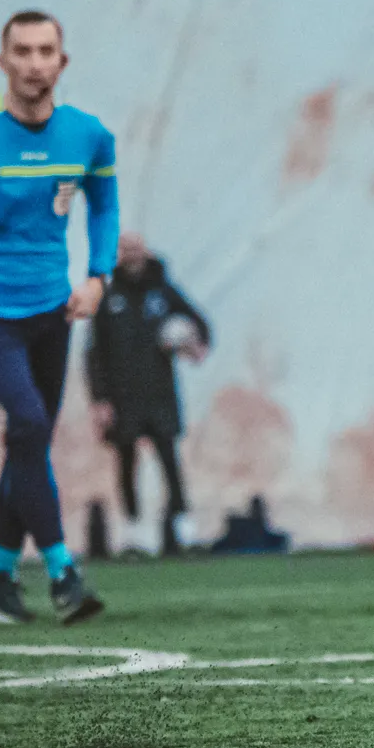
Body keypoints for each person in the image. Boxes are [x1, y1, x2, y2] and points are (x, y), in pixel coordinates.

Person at [0, 11, 114, 625]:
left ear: (63, 61)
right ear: (2, 61)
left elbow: (104, 206)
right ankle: (63, 571)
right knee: (30, 423)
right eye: (23, 51)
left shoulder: (88, 135)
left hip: (52, 314)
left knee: (29, 440)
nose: (35, 63)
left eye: (46, 51)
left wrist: (98, 276)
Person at [86, 232, 210, 556]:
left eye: (136, 248)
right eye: (125, 249)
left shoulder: (162, 289)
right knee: (127, 462)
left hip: (159, 393)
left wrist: (195, 344)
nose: (131, 254)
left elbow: (199, 323)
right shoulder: (108, 295)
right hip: (122, 395)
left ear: (145, 250)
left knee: (169, 458)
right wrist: (100, 399)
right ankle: (135, 534)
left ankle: (183, 530)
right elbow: (94, 353)